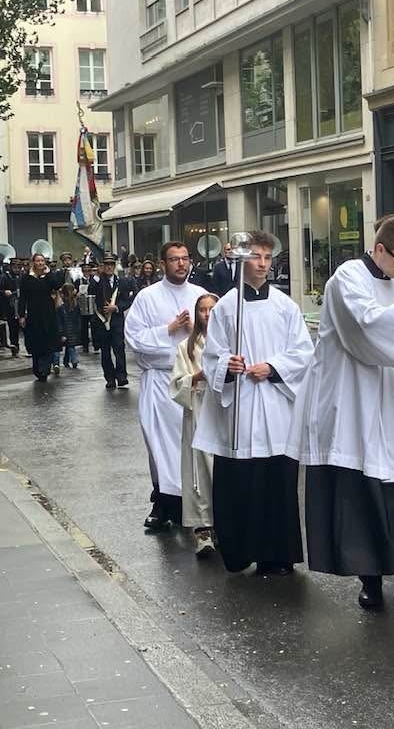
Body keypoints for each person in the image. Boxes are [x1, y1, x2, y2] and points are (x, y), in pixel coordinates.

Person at [288, 216, 394, 611]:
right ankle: (371, 580)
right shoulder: (347, 278)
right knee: (362, 488)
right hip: (354, 398)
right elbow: (364, 328)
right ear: (379, 248)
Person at [195, 232, 313, 575]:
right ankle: (239, 551)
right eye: (256, 257)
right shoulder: (226, 307)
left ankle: (277, 555)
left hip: (275, 405)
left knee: (277, 482)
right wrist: (227, 367)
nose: (262, 264)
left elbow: (303, 352)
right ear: (242, 260)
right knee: (240, 482)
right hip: (241, 407)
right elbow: (212, 356)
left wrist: (273, 367)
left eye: (267, 257)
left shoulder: (285, 306)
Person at [125, 241, 208, 529]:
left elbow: (218, 336)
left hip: (193, 382)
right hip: (160, 380)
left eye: (185, 258)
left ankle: (195, 504)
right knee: (159, 445)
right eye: (174, 259)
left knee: (193, 444)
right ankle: (163, 502)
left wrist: (195, 331)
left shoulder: (200, 295)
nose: (181, 264)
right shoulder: (147, 297)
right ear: (163, 264)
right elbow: (134, 338)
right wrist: (168, 330)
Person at [170, 293, 219, 559]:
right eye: (202, 310)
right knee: (198, 468)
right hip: (198, 410)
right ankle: (203, 529)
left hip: (222, 413)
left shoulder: (230, 341)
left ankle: (225, 523)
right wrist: (196, 377)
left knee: (221, 470)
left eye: (212, 309)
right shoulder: (186, 347)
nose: (207, 315)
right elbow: (177, 383)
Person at [89, 254, 136, 389]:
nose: (109, 267)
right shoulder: (98, 281)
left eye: (111, 265)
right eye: (106, 265)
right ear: (103, 266)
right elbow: (91, 292)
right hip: (102, 321)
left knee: (119, 348)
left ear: (114, 266)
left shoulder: (121, 282)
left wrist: (116, 307)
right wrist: (96, 276)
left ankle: (121, 376)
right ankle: (109, 378)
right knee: (105, 351)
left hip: (116, 320)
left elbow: (127, 300)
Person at [18, 253, 64, 381]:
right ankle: (38, 369)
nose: (40, 263)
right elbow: (23, 298)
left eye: (42, 261)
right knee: (36, 343)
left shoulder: (48, 277)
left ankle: (45, 369)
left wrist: (48, 273)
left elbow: (57, 285)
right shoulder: (27, 278)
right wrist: (21, 315)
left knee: (49, 343)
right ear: (33, 263)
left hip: (48, 314)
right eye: (38, 261)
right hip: (33, 315)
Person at [0, 259, 21, 354]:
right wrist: (4, 292)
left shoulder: (21, 276)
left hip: (21, 304)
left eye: (18, 268)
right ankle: (15, 347)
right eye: (15, 268)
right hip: (10, 306)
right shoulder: (5, 277)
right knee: (13, 327)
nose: (17, 270)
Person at [57, 283, 81, 369]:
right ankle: (74, 359)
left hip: (69, 328)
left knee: (69, 344)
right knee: (71, 345)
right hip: (69, 328)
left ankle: (66, 360)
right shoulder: (65, 306)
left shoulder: (72, 304)